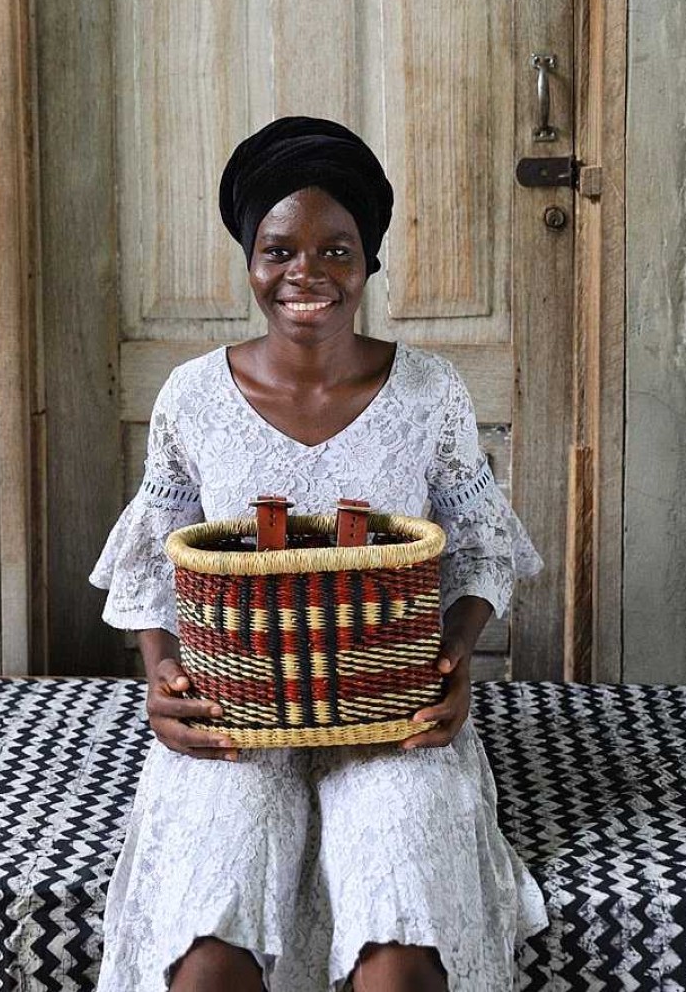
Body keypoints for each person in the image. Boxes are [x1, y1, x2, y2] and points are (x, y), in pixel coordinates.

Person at [89, 117, 548, 992]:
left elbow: (482, 545)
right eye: (278, 249)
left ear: (368, 260)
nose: (306, 273)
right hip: (236, 712)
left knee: (402, 958)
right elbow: (153, 559)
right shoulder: (193, 395)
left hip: (389, 709)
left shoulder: (428, 391)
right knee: (205, 960)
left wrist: (451, 658)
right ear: (250, 259)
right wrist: (160, 678)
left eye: (335, 249)